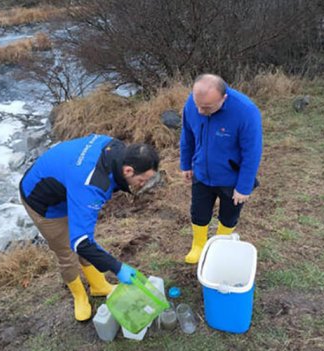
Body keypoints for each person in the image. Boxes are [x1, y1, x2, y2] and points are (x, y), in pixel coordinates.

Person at [19, 134, 159, 321]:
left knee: (85, 238)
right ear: (128, 170)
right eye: (142, 180)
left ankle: (98, 285)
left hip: (68, 185)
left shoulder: (117, 149)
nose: (142, 185)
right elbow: (80, 243)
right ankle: (79, 295)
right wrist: (118, 268)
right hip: (43, 201)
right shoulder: (91, 184)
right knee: (68, 250)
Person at [180, 74, 263, 264]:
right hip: (202, 173)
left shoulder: (246, 111)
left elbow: (252, 152)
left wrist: (244, 186)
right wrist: (186, 163)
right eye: (197, 105)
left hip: (231, 178)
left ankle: (220, 245)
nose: (200, 111)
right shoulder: (193, 103)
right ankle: (199, 245)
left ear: (223, 99)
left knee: (228, 216)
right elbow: (187, 134)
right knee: (198, 212)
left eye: (207, 107)